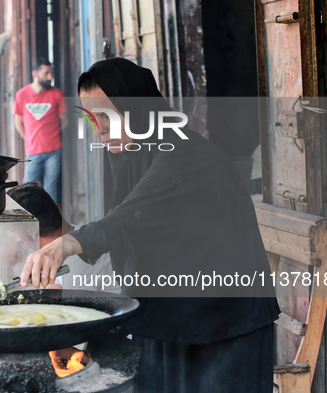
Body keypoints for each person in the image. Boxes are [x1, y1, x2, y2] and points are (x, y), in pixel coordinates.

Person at [19, 58, 280, 392]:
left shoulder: (183, 155)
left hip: (224, 326)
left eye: (108, 117)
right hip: (172, 316)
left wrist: (64, 245)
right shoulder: (134, 155)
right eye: (92, 118)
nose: (99, 130)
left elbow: (128, 218)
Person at [7, 181, 119, 293]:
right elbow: (54, 287)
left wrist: (5, 268)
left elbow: (75, 308)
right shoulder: (78, 234)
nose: (21, 244)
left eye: (19, 237)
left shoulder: (77, 266)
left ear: (28, 236)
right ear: (58, 209)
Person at [13, 58, 67, 207]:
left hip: (54, 151)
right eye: (46, 73)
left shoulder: (56, 94)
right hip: (32, 152)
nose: (50, 77)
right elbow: (18, 122)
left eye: (52, 73)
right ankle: (29, 225)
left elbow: (65, 120)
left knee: (51, 190)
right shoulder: (22, 95)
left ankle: (54, 224)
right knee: (28, 190)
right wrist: (29, 139)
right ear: (35, 74)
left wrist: (53, 135)